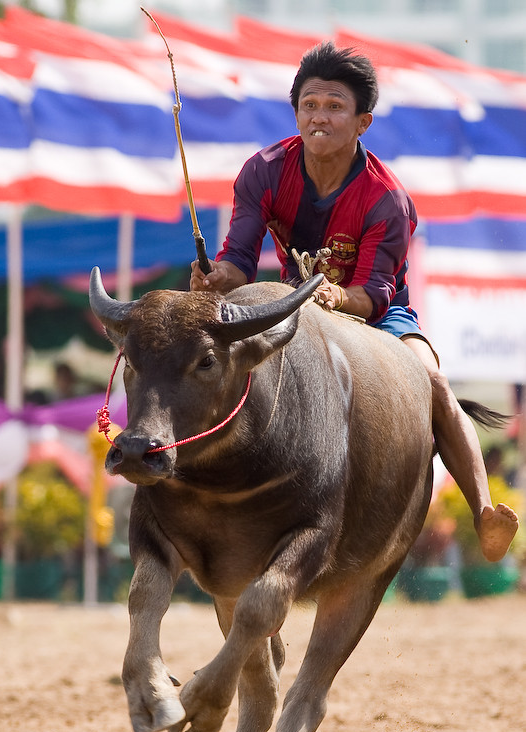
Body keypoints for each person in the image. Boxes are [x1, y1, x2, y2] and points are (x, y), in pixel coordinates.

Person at [191, 41, 518, 563]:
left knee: (431, 379)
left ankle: (482, 509)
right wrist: (216, 278)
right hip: (292, 306)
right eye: (310, 106)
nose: (320, 118)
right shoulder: (262, 171)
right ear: (296, 111)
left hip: (380, 315)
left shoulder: (387, 199)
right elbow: (239, 261)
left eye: (335, 107)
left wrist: (335, 295)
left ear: (362, 122)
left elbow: (372, 297)